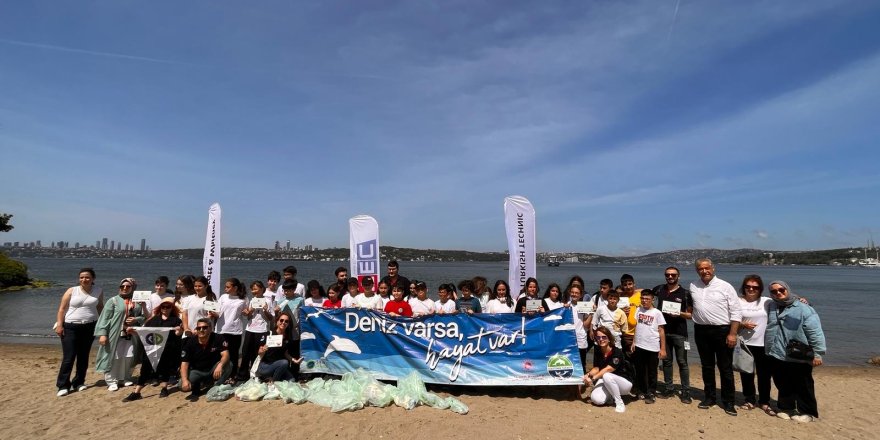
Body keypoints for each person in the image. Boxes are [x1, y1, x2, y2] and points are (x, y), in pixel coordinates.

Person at [765, 280, 826, 423]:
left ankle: (808, 412)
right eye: (774, 291)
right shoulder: (772, 306)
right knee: (782, 382)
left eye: (781, 289)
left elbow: (815, 332)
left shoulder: (804, 308)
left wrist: (818, 354)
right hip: (777, 352)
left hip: (798, 353)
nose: (778, 293)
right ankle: (786, 408)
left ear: (787, 289)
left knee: (804, 384)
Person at [689, 258, 741, 416]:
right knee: (707, 366)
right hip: (701, 331)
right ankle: (709, 397)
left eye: (707, 268)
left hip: (722, 330)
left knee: (725, 368)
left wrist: (732, 334)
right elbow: (691, 306)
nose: (704, 271)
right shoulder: (693, 286)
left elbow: (736, 312)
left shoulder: (725, 286)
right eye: (700, 269)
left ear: (713, 268)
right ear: (697, 271)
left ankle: (728, 402)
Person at [122, 298, 183, 401]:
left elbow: (178, 334)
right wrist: (133, 331)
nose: (165, 309)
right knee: (145, 369)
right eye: (163, 306)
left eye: (168, 307)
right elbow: (144, 332)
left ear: (172, 308)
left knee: (165, 368)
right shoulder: (153, 319)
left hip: (168, 348)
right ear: (160, 307)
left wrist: (179, 330)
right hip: (151, 348)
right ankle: (137, 392)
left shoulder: (176, 320)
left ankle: (164, 388)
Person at [55, 267, 104, 396]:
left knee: (83, 356)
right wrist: (59, 325)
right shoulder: (72, 290)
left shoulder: (98, 290)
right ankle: (63, 385)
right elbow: (62, 309)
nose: (84, 279)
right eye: (81, 277)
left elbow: (100, 307)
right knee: (69, 357)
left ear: (93, 278)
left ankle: (79, 382)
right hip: (70, 327)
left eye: (87, 277)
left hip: (90, 327)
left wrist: (103, 324)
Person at [94, 277, 146, 391]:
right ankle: (112, 380)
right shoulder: (113, 301)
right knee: (114, 356)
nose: (125, 288)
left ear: (133, 288)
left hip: (132, 334)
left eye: (128, 286)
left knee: (129, 356)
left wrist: (136, 319)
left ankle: (125, 378)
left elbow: (144, 317)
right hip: (115, 333)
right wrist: (103, 334)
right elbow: (105, 318)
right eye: (122, 286)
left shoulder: (137, 302)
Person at [654, 266, 694, 403]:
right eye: (668, 275)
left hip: (680, 333)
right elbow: (644, 295)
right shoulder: (659, 289)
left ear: (678, 276)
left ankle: (686, 391)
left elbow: (690, 315)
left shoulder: (685, 293)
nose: (670, 277)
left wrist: (679, 313)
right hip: (663, 332)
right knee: (666, 361)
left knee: (683, 362)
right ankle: (669, 388)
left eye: (673, 275)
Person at [737, 275, 773, 414]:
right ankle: (749, 400)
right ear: (744, 287)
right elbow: (729, 319)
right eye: (748, 286)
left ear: (760, 289)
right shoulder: (737, 301)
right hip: (745, 344)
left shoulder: (767, 301)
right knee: (747, 373)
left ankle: (764, 402)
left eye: (755, 287)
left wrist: (800, 299)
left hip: (763, 344)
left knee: (765, 375)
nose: (751, 289)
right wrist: (742, 324)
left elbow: (784, 299)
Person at [583, 326, 633, 413]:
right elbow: (597, 368)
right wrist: (588, 375)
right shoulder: (598, 351)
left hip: (624, 383)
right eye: (598, 337)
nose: (601, 339)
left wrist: (593, 379)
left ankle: (619, 402)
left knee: (606, 375)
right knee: (596, 399)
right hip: (608, 381)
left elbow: (608, 369)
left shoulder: (617, 352)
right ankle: (611, 397)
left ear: (609, 338)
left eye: (604, 337)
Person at [179, 318, 231, 401]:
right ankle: (201, 383)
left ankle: (214, 387)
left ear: (210, 328)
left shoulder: (218, 338)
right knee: (181, 385)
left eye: (205, 327)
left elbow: (226, 355)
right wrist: (185, 380)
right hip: (197, 371)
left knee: (228, 364)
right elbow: (184, 363)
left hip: (213, 369)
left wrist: (220, 365)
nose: (201, 330)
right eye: (198, 328)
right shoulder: (190, 342)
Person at [631, 289, 667, 404]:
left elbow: (661, 330)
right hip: (639, 345)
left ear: (652, 299)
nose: (644, 301)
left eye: (647, 299)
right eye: (642, 298)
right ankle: (642, 390)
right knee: (640, 370)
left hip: (652, 346)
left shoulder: (657, 313)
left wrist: (663, 348)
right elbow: (636, 327)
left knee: (652, 371)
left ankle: (651, 392)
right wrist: (633, 342)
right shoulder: (638, 310)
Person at [237, 280, 274, 382]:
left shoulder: (268, 301)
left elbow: (271, 318)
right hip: (250, 329)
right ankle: (242, 375)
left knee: (258, 353)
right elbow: (249, 317)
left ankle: (257, 374)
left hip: (262, 330)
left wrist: (265, 310)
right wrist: (249, 312)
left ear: (262, 289)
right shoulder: (252, 300)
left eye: (255, 289)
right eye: (252, 289)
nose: (253, 291)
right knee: (245, 352)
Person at [213, 278, 246, 383]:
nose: (225, 289)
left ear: (235, 288)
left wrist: (246, 313)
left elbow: (246, 314)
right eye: (225, 286)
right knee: (219, 354)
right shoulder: (223, 297)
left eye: (228, 287)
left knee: (234, 354)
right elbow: (217, 312)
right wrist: (212, 313)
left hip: (235, 331)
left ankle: (232, 376)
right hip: (221, 330)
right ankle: (219, 375)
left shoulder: (243, 299)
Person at [255, 311, 304, 383]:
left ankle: (270, 378)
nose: (283, 322)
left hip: (279, 366)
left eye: (286, 321)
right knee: (284, 362)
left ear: (288, 324)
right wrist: (262, 351)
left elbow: (285, 353)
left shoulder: (287, 337)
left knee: (292, 380)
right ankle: (273, 382)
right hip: (265, 366)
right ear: (277, 321)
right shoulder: (269, 334)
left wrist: (294, 360)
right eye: (281, 320)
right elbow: (259, 352)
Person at [568, 284, 590, 374]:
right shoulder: (565, 305)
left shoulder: (584, 306)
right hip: (568, 339)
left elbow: (586, 325)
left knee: (581, 363)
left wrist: (591, 313)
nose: (574, 294)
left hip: (581, 338)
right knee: (569, 362)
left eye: (577, 293)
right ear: (570, 293)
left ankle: (581, 381)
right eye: (572, 292)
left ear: (581, 295)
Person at [618, 274, 641, 357]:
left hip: (639, 333)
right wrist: (621, 311)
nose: (628, 287)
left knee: (639, 358)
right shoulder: (619, 297)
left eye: (630, 284)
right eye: (625, 285)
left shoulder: (641, 295)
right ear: (622, 286)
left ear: (634, 284)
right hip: (625, 333)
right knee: (627, 357)